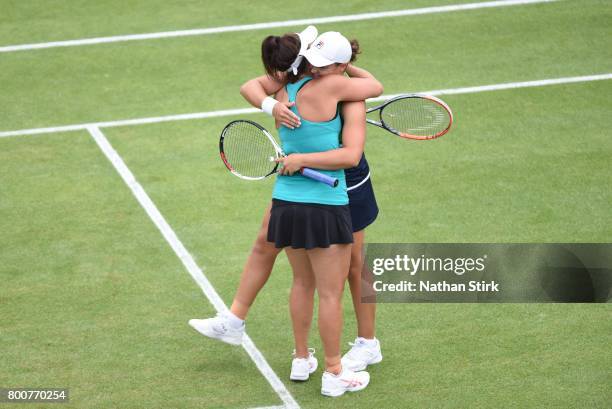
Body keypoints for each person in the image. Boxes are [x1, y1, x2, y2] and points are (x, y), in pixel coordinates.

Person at [190, 29, 382, 397]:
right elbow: (371, 91)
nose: (319, 67)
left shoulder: (299, 87)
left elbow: (353, 147)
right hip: (324, 192)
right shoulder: (324, 86)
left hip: (330, 187)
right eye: (314, 60)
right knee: (324, 284)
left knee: (352, 267)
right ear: (306, 58)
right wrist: (272, 107)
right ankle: (327, 366)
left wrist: (280, 108)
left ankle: (359, 345)